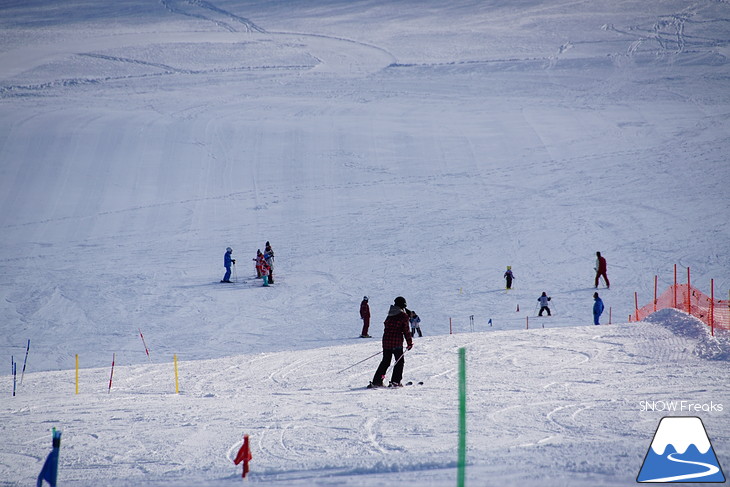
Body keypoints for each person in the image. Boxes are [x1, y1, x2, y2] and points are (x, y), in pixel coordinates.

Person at [369, 296, 413, 388]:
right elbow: (406, 331)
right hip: (396, 343)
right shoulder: (403, 316)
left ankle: (377, 381)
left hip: (386, 342)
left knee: (385, 362)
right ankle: (395, 381)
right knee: (399, 362)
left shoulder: (390, 314)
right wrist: (409, 343)